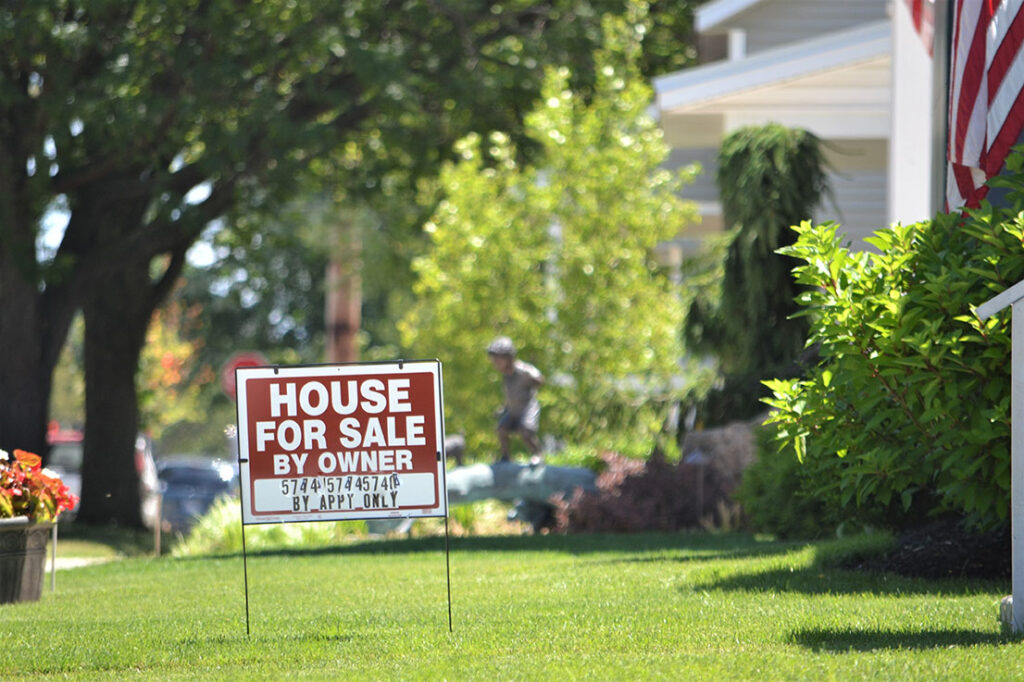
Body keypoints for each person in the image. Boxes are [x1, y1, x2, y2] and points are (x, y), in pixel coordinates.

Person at [487, 336, 544, 464]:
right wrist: (503, 409)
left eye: (498, 360)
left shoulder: (522, 371)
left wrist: (535, 380)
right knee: (502, 429)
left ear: (508, 357)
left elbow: (538, 377)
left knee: (526, 430)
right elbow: (510, 396)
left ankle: (537, 454)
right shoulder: (506, 377)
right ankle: (506, 456)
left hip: (527, 408)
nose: (495, 363)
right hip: (513, 410)